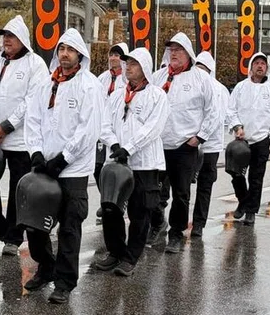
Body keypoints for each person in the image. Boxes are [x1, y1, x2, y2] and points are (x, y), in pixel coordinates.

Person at [25, 28, 102, 304]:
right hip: (45, 168)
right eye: (61, 49)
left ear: (80, 54)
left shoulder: (89, 85)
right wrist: (35, 152)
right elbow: (32, 119)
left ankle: (65, 282)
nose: (64, 54)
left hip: (72, 171)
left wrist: (64, 158)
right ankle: (45, 268)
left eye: (70, 49)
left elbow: (88, 129)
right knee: (35, 225)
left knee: (69, 226)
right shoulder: (46, 84)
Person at [0, 15, 50, 256]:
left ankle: (13, 237)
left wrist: (6, 126)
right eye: (4, 36)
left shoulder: (35, 64)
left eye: (11, 36)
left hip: (19, 139)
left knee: (18, 188)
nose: (6, 40)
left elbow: (32, 101)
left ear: (22, 39)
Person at [95, 47, 168, 276]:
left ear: (144, 68)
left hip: (144, 164)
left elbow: (153, 128)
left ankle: (130, 257)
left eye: (133, 64)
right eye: (127, 63)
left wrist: (130, 147)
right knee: (111, 208)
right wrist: (114, 144)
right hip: (117, 164)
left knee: (140, 211)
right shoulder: (117, 95)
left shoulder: (157, 96)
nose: (128, 67)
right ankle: (115, 251)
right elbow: (103, 123)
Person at [149, 33, 221, 254]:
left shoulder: (201, 79)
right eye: (171, 50)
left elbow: (213, 111)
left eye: (178, 50)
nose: (173, 54)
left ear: (188, 53)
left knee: (181, 194)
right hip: (158, 146)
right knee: (149, 191)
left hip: (184, 147)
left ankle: (176, 234)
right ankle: (157, 222)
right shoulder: (158, 77)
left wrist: (199, 137)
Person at [226, 52, 270, 226]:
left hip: (262, 139)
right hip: (241, 139)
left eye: (263, 63)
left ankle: (251, 211)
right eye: (257, 63)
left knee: (256, 177)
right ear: (251, 66)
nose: (260, 66)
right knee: (235, 173)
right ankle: (243, 201)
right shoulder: (240, 87)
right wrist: (237, 126)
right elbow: (231, 110)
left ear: (267, 68)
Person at [192, 51, 230, 238]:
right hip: (192, 144)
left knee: (202, 185)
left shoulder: (219, 89)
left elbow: (218, 116)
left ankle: (198, 223)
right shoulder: (190, 84)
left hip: (207, 145)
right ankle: (191, 223)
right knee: (186, 187)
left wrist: (200, 136)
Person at [93, 42, 128, 223]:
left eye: (118, 55)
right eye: (112, 54)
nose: (114, 58)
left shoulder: (127, 79)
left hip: (119, 128)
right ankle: (106, 198)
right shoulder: (102, 78)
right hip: (102, 129)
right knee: (98, 168)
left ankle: (118, 200)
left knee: (118, 169)